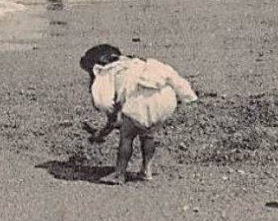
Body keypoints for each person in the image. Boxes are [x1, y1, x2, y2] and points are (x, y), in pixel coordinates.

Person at [80, 43, 197, 185]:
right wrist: (188, 97)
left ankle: (119, 174)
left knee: (127, 135)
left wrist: (106, 124)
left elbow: (104, 102)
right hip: (165, 99)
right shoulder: (139, 63)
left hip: (140, 102)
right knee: (147, 134)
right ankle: (146, 170)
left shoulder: (105, 72)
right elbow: (173, 76)